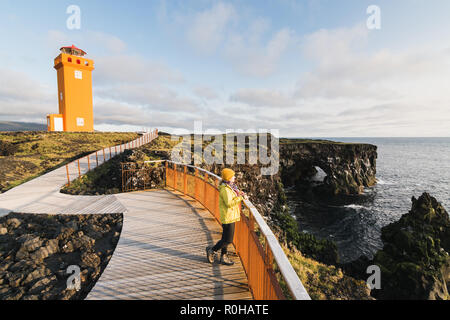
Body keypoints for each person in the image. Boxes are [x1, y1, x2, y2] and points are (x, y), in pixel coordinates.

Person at [206, 168, 248, 266]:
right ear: (228, 178)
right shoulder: (225, 189)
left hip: (230, 215)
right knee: (228, 240)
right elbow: (229, 203)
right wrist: (241, 198)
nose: (234, 177)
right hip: (228, 216)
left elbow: (232, 196)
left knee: (225, 237)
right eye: (233, 176)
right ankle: (212, 250)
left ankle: (223, 256)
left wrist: (239, 193)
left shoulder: (230, 186)